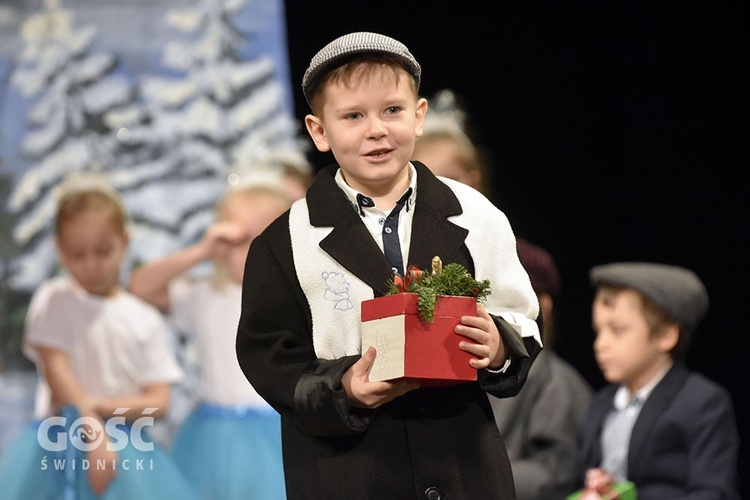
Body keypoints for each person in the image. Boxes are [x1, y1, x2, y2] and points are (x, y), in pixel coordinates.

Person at [235, 31, 542, 499]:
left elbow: (522, 315)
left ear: (419, 116)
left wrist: (499, 344)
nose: (376, 129)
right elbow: (268, 355)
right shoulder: (285, 241)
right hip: (349, 469)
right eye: (353, 116)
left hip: (461, 462)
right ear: (319, 131)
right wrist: (343, 388)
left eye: (392, 110)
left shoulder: (475, 215)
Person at [0, 173, 197, 499]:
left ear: (125, 241)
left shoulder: (143, 318)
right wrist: (91, 425)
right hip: (58, 446)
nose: (91, 264)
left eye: (103, 251)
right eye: (77, 255)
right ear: (59, 251)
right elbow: (56, 369)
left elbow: (158, 401)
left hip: (125, 453)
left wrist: (102, 407)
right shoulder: (55, 299)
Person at [128, 181, 291, 499]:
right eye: (239, 239)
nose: (251, 251)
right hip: (213, 437)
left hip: (280, 433)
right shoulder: (203, 294)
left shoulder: (294, 299)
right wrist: (201, 251)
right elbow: (140, 288)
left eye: (262, 238)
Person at [578, 262, 741, 499]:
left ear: (666, 336)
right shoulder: (601, 405)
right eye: (598, 331)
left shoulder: (702, 403)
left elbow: (713, 490)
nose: (600, 344)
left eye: (617, 330)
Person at [489, 238, 593, 500]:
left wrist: (474, 481)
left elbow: (555, 471)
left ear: (542, 306)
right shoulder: (473, 369)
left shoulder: (559, 383)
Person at [412, 88, 492, 197]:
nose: (439, 191)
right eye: (424, 182)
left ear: (474, 183)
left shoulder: (490, 214)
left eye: (451, 180)